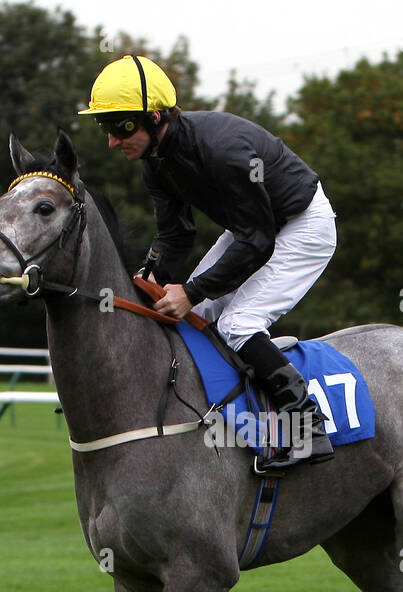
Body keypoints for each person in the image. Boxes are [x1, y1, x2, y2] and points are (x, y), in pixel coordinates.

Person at [78, 54, 338, 470]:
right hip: (253, 228)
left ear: (155, 117)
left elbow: (258, 241)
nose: (111, 140)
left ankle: (308, 429)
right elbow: (176, 234)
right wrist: (152, 273)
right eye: (104, 128)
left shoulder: (221, 151)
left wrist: (192, 289)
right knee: (193, 314)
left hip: (303, 226)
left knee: (238, 323)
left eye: (119, 126)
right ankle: (220, 414)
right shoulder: (156, 161)